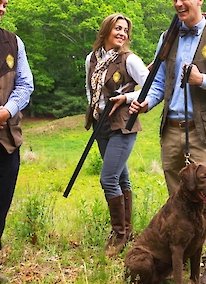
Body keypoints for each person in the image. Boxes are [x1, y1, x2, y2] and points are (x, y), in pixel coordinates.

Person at [129, 0, 206, 283]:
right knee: (178, 202)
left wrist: (202, 80)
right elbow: (157, 82)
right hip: (172, 129)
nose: (179, 4)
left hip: (204, 131)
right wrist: (147, 104)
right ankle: (177, 266)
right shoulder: (166, 38)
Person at [84, 13, 149, 257]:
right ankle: (127, 231)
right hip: (101, 125)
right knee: (121, 179)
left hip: (123, 124)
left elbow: (151, 85)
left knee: (108, 178)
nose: (122, 33)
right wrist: (94, 110)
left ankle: (119, 234)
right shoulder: (91, 59)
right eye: (117, 28)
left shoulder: (129, 60)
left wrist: (127, 98)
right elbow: (89, 89)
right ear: (105, 31)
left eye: (125, 30)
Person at [0, 0, 34, 282]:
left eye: (4, 3)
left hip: (6, 138)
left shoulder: (13, 41)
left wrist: (7, 111)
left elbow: (25, 84)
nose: (2, 7)